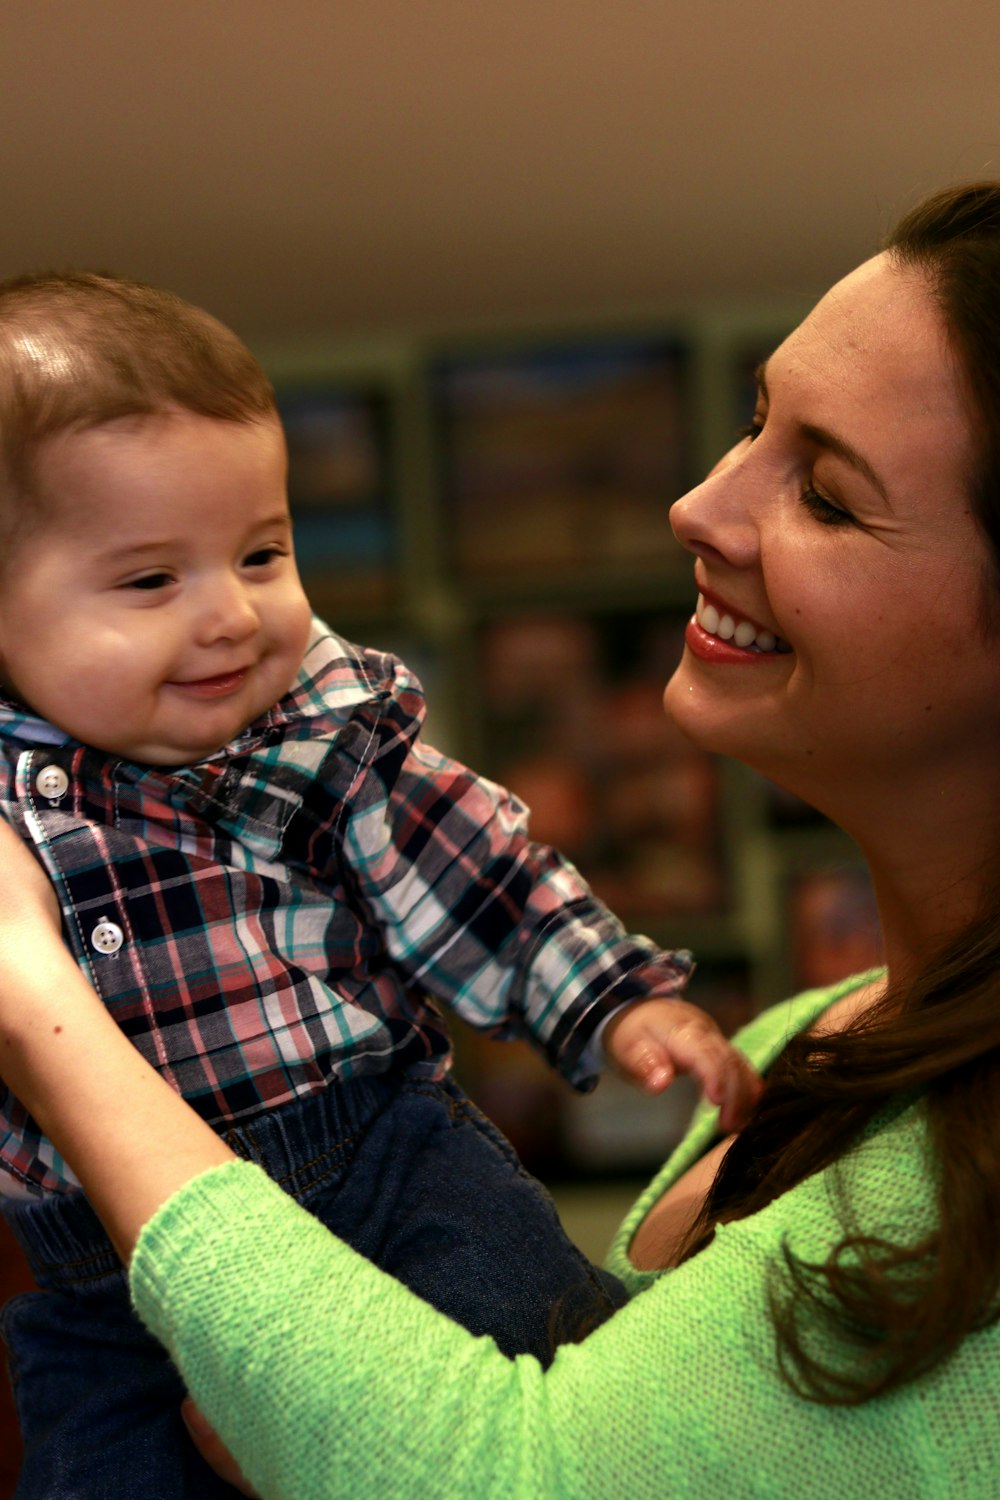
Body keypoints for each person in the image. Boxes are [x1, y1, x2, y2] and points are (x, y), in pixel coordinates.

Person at [3, 177, 1000, 1498]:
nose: (695, 505)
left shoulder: (318, 728)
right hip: (82, 1273)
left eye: (822, 490)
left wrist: (31, 994)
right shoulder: (786, 1053)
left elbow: (515, 1470)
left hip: (357, 1133)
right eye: (752, 424)